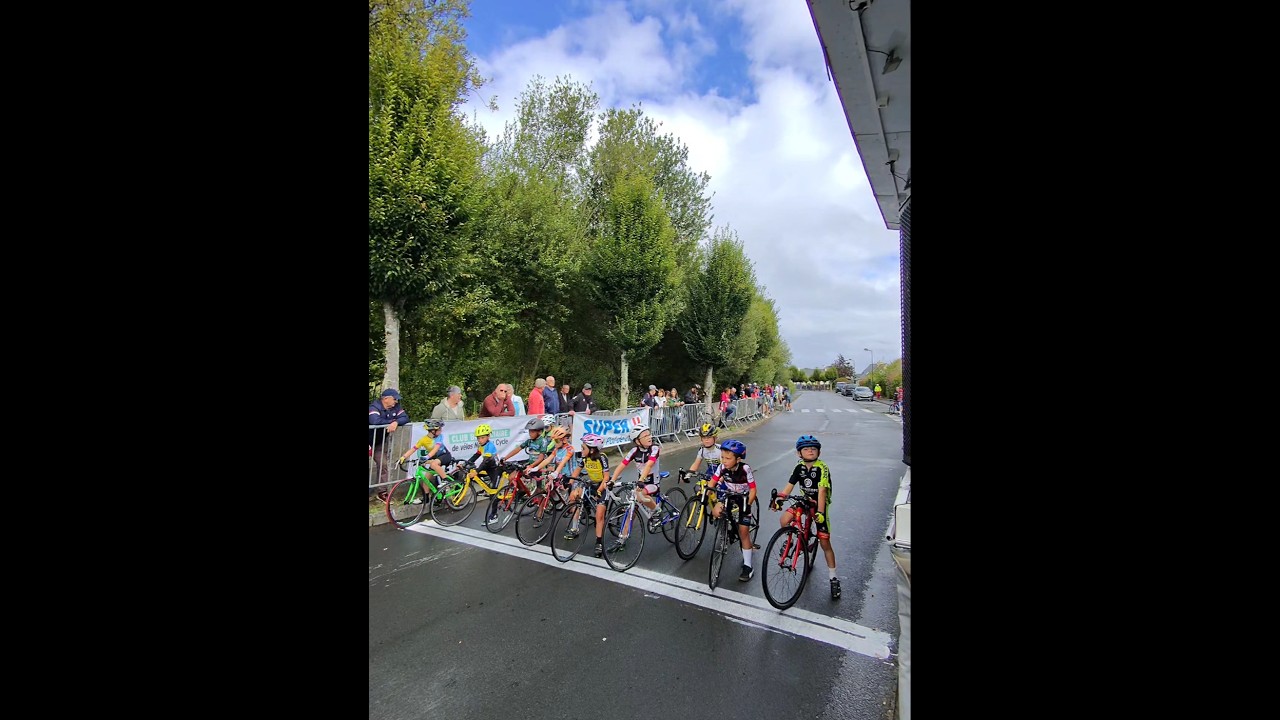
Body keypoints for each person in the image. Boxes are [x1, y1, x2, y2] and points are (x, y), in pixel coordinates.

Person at [772, 434, 840, 599]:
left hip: (819, 504)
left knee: (824, 542)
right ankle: (793, 540)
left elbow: (822, 491)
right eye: (806, 449)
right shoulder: (799, 467)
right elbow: (789, 487)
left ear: (819, 452)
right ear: (799, 453)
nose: (810, 451)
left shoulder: (822, 467)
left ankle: (833, 578)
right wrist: (779, 500)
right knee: (784, 520)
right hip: (804, 500)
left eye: (814, 448)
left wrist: (821, 513)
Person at [707, 438, 758, 582]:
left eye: (728, 458)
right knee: (717, 512)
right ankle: (725, 527)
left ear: (738, 459)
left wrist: (748, 504)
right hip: (728, 495)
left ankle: (748, 566)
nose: (724, 460)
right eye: (722, 457)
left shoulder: (745, 469)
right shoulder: (722, 468)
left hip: (743, 497)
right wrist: (714, 500)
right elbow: (712, 484)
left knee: (743, 532)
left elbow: (753, 490)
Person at [607, 424, 662, 521]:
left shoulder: (654, 448)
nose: (649, 437)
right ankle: (624, 534)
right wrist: (612, 480)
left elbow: (649, 465)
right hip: (641, 483)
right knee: (633, 507)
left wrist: (641, 480)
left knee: (640, 496)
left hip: (653, 483)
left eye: (649, 434)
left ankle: (656, 510)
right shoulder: (634, 451)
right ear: (637, 441)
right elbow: (622, 465)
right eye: (645, 436)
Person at [564, 433, 609, 546]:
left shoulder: (602, 457)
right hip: (591, 484)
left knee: (599, 515)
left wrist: (599, 490)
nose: (581, 450)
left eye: (583, 448)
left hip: (602, 485)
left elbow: (607, 477)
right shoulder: (584, 458)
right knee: (574, 497)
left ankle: (599, 542)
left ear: (592, 450)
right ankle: (574, 528)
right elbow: (577, 471)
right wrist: (570, 483)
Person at [369, 388, 410, 497]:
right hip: (370, 440)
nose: (396, 401)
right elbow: (375, 421)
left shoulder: (395, 407)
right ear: (385, 399)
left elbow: (405, 417)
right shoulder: (374, 407)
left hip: (379, 441)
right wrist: (391, 422)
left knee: (383, 464)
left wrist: (396, 422)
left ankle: (382, 491)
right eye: (394, 399)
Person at [396, 419, 454, 490]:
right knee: (426, 480)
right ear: (433, 431)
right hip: (435, 458)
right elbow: (413, 449)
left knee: (433, 464)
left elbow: (435, 449)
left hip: (445, 455)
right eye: (439, 429)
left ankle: (446, 480)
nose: (441, 431)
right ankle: (427, 499)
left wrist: (427, 457)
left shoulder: (440, 437)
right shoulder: (423, 440)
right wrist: (403, 457)